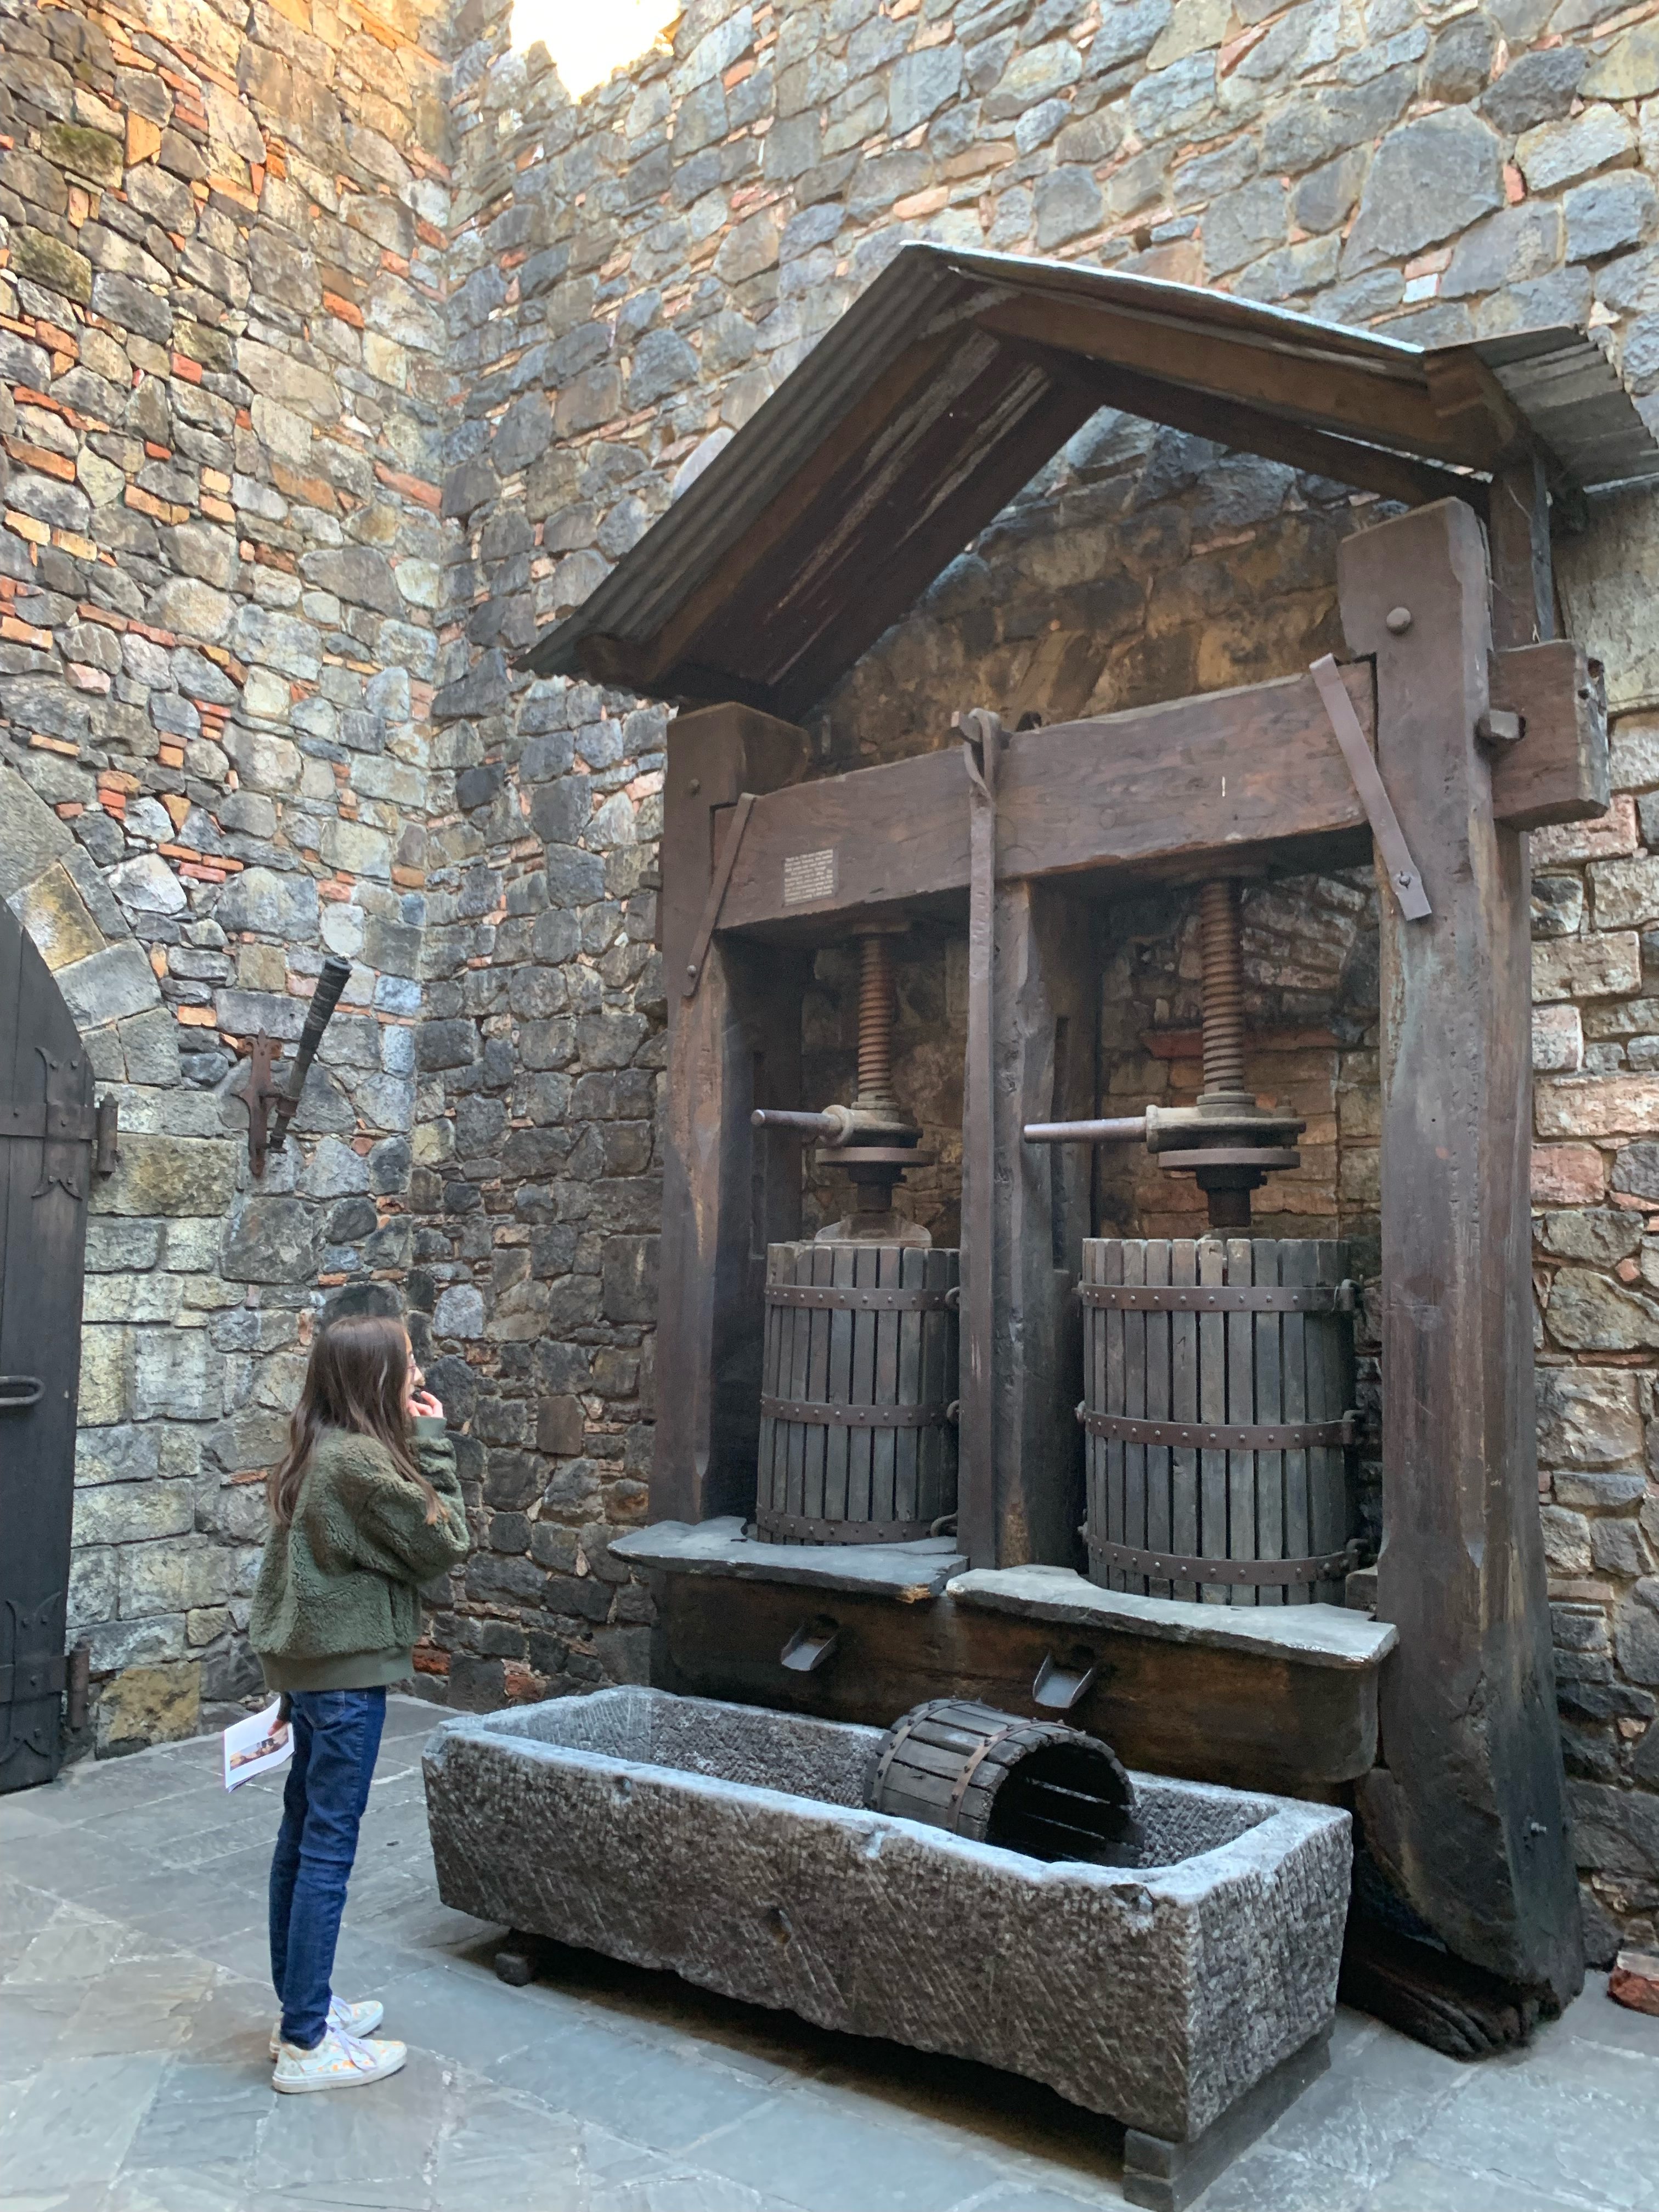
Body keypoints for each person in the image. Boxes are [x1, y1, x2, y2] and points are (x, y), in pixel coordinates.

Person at [251, 1312, 469, 2093]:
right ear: (378, 1377)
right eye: (408, 1364)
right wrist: (436, 1446)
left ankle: (300, 2011)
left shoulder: (317, 1449)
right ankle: (309, 2043)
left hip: (313, 1675)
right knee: (326, 1853)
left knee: (302, 1839)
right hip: (345, 1684)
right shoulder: (362, 1467)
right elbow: (446, 1543)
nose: (418, 1376)